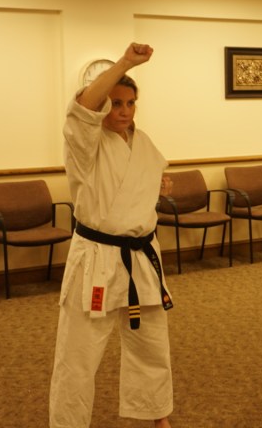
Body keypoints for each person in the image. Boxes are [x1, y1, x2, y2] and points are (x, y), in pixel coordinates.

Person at [50, 43, 174, 428]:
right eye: (115, 103)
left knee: (151, 343)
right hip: (97, 257)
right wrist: (125, 63)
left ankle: (156, 413)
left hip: (142, 255)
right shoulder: (84, 143)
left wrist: (157, 187)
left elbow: (139, 183)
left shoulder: (143, 142)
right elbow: (82, 109)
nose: (123, 111)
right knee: (79, 353)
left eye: (130, 103)